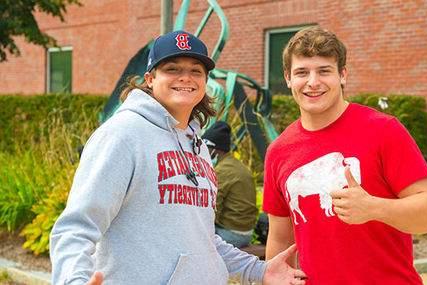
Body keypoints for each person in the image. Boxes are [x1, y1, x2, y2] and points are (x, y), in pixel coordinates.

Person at [50, 30, 307, 285]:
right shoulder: (122, 135)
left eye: (196, 70)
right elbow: (75, 228)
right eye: (172, 69)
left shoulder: (198, 146)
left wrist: (258, 270)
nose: (186, 77)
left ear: (205, 81)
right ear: (150, 78)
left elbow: (203, 239)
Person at [262, 26, 427, 284]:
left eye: (324, 71)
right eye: (302, 72)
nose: (312, 82)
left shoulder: (384, 130)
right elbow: (281, 238)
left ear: (343, 75)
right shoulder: (278, 151)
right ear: (289, 79)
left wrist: (374, 207)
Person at [202, 121, 258, 248]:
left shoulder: (222, 171)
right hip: (246, 232)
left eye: (206, 150)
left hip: (231, 235)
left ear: (214, 150)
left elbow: (212, 210)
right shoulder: (237, 165)